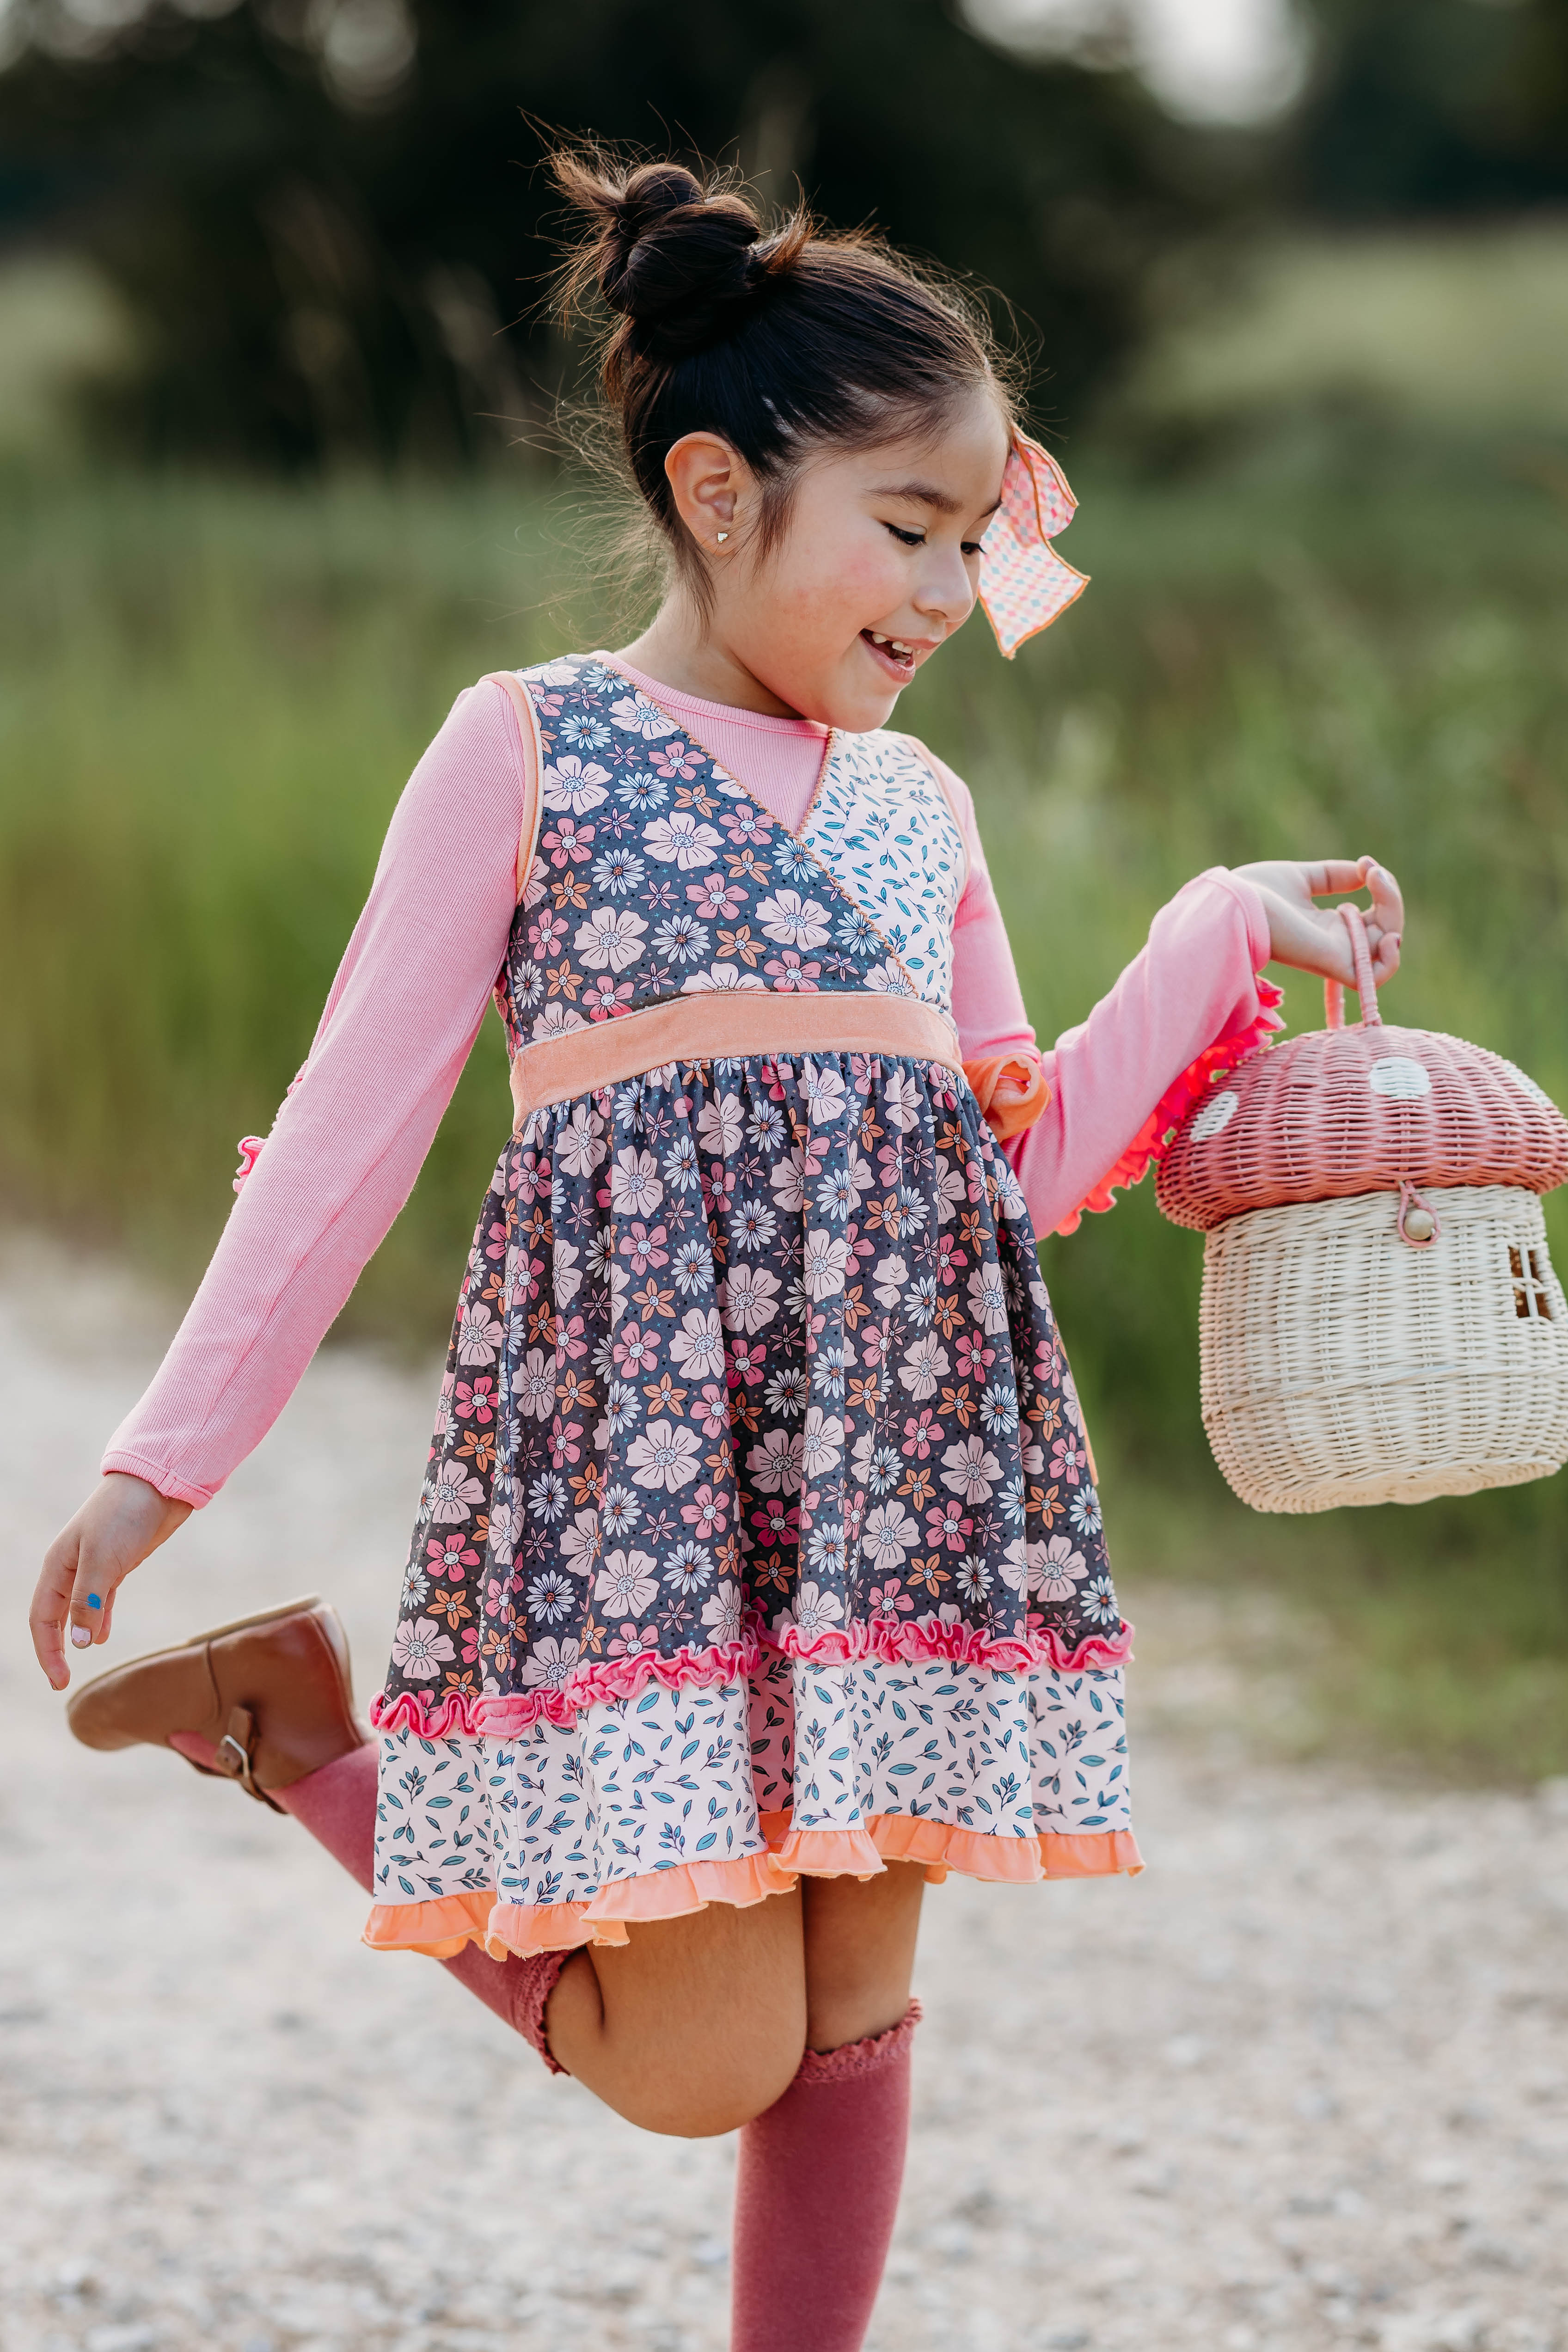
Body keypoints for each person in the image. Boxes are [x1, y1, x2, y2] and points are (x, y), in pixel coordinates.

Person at [29, 148, 1403, 2352]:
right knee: (696, 2068)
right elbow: (349, 1139)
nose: (952, 591)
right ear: (714, 486)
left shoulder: (916, 808)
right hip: (645, 1498)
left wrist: (1208, 928)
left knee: (859, 2001)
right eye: (911, 530)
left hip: (890, 1487)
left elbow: (1010, 1174)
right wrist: (159, 1464)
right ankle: (296, 1736)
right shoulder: (527, 748)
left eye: (976, 540)